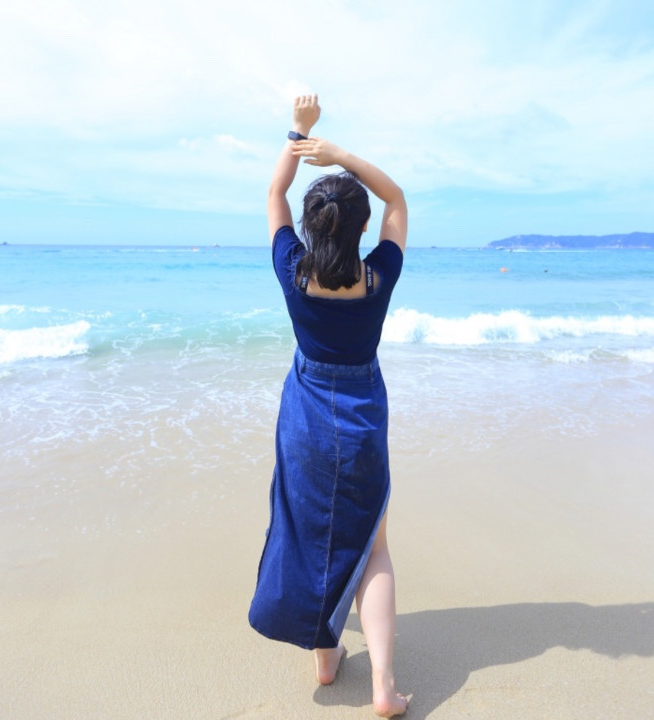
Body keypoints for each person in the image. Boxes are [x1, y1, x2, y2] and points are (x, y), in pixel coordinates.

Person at [248, 94, 408, 718]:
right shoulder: (376, 279)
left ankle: (325, 659)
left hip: (306, 420)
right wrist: (339, 154)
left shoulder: (294, 273)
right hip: (363, 415)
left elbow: (274, 194)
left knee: (311, 536)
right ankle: (384, 688)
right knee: (373, 547)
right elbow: (397, 200)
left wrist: (300, 132)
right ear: (361, 228)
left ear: (312, 226)